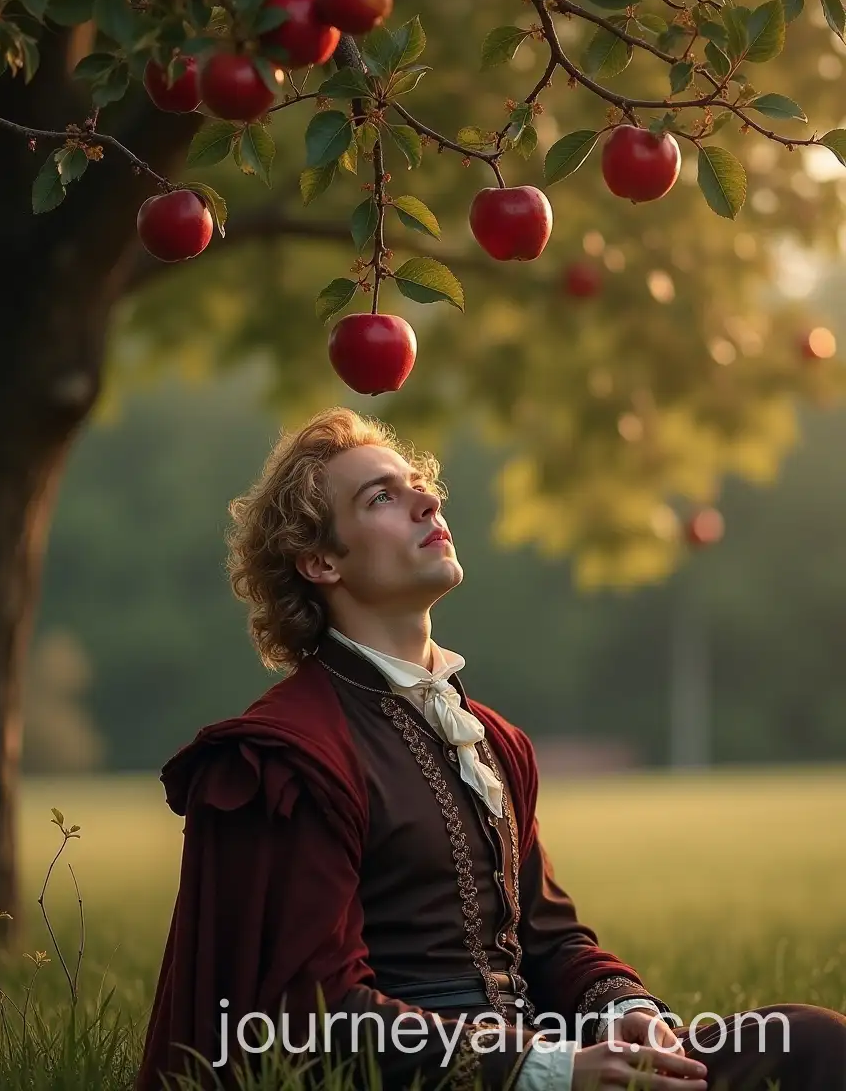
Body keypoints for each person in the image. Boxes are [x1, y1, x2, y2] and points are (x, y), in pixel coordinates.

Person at [135, 408, 846, 1091]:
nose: (425, 505)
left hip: (550, 1059)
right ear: (320, 560)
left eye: (422, 488)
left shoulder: (492, 740)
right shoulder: (287, 757)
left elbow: (551, 941)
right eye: (382, 497)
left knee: (808, 1040)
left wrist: (625, 1014)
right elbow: (316, 1016)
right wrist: (548, 1072)